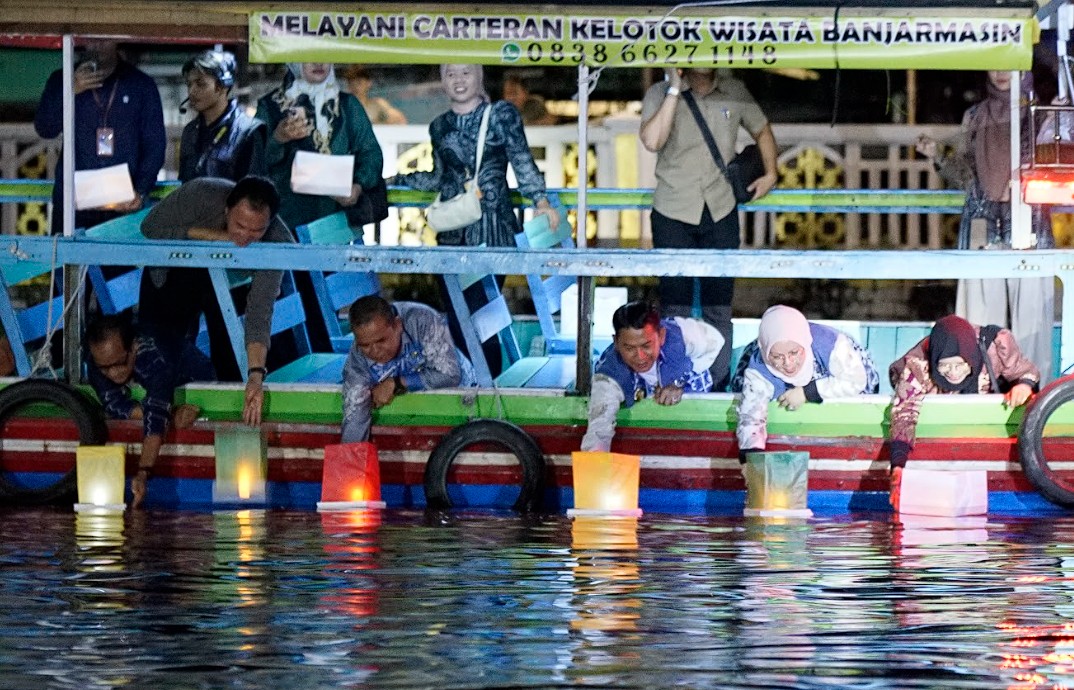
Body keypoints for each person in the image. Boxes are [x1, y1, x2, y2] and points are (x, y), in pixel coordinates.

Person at [391, 63, 559, 376]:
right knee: (456, 317)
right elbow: (441, 177)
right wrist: (395, 180)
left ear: (479, 77)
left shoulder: (501, 115)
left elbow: (522, 159)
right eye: (450, 74)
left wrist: (541, 200)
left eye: (466, 73)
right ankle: (469, 384)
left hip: (492, 230)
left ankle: (487, 384)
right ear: (442, 81)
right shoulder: (439, 126)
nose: (458, 80)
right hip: (453, 235)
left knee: (483, 319)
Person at [639, 67, 778, 391]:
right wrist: (674, 89)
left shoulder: (734, 90)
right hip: (673, 210)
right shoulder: (659, 93)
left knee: (719, 305)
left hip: (720, 209)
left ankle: (716, 385)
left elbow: (762, 130)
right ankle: (675, 381)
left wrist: (771, 172)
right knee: (675, 307)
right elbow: (652, 140)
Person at [916, 70, 1055, 385]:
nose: (1001, 74)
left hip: (1029, 219)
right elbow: (966, 177)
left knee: (1032, 315)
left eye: (1010, 66)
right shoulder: (975, 115)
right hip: (982, 221)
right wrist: (938, 156)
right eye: (995, 65)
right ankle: (979, 387)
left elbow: (1054, 161)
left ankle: (1033, 389)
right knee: (978, 316)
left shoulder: (1041, 113)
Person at [138, 175, 293, 425]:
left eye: (256, 231)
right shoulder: (200, 193)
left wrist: (255, 376)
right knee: (159, 357)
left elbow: (260, 311)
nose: (245, 238)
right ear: (226, 208)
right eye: (239, 225)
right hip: (170, 278)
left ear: (270, 224)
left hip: (224, 292)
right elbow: (151, 228)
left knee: (224, 359)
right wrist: (214, 238)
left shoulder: (277, 243)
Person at [887, 314, 1040, 510]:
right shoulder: (918, 364)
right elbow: (904, 413)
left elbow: (1027, 371)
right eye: (944, 365)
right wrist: (898, 467)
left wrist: (1023, 385)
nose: (953, 372)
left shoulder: (996, 346)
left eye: (960, 364)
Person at [34, 39, 165, 233]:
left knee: (123, 262)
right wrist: (70, 90)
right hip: (74, 199)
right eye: (90, 39)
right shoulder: (62, 78)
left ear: (117, 40)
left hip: (125, 198)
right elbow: (45, 128)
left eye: (104, 39)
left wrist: (141, 189)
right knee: (70, 261)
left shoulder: (140, 84)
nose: (97, 44)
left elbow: (155, 144)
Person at [732, 305, 880, 460]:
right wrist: (751, 457)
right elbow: (751, 416)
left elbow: (856, 380)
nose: (788, 363)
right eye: (777, 357)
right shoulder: (758, 368)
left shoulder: (831, 345)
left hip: (849, 371)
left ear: (805, 343)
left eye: (794, 353)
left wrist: (807, 392)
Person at [85, 314, 203, 508]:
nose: (113, 374)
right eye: (105, 368)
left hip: (199, 377)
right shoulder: (97, 361)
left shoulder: (154, 359)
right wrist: (171, 416)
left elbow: (156, 417)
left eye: (119, 364)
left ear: (134, 347)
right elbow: (114, 404)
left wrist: (143, 472)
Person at [581, 301, 725, 452]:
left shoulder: (686, 334)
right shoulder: (608, 377)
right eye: (629, 348)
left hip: (699, 422)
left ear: (661, 336)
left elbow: (717, 341)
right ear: (616, 342)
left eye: (646, 346)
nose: (640, 357)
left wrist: (680, 380)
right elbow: (598, 431)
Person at [255, 62, 384, 230]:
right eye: (308, 57)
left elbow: (371, 153)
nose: (318, 63)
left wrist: (358, 186)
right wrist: (278, 139)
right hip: (285, 221)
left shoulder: (347, 105)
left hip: (337, 222)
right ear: (294, 61)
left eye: (324, 55)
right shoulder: (270, 106)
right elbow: (254, 160)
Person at [341, 296, 476, 443]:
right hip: (416, 416)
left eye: (381, 341)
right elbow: (355, 417)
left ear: (398, 325)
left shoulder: (422, 320)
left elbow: (450, 374)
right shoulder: (357, 358)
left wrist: (397, 383)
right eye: (365, 345)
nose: (374, 351)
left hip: (464, 399)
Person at [178, 50, 266, 183]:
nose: (191, 91)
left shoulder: (247, 131)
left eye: (200, 84)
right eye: (189, 84)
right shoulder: (190, 132)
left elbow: (253, 193)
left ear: (222, 87)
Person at [343, 66, 407, 125]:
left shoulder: (378, 104)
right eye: (351, 83)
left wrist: (380, 124)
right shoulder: (343, 107)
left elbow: (400, 119)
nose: (355, 87)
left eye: (359, 83)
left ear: (368, 83)